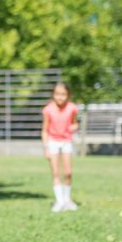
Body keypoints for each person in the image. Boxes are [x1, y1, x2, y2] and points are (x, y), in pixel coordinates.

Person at [41, 82, 78, 212]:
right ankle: (60, 201)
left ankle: (67, 200)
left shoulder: (72, 108)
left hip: (66, 141)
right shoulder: (48, 110)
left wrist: (73, 127)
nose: (60, 97)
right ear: (53, 95)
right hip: (53, 142)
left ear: (68, 95)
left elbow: (75, 123)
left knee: (68, 173)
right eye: (57, 94)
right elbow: (44, 130)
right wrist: (46, 148)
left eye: (63, 94)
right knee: (56, 172)